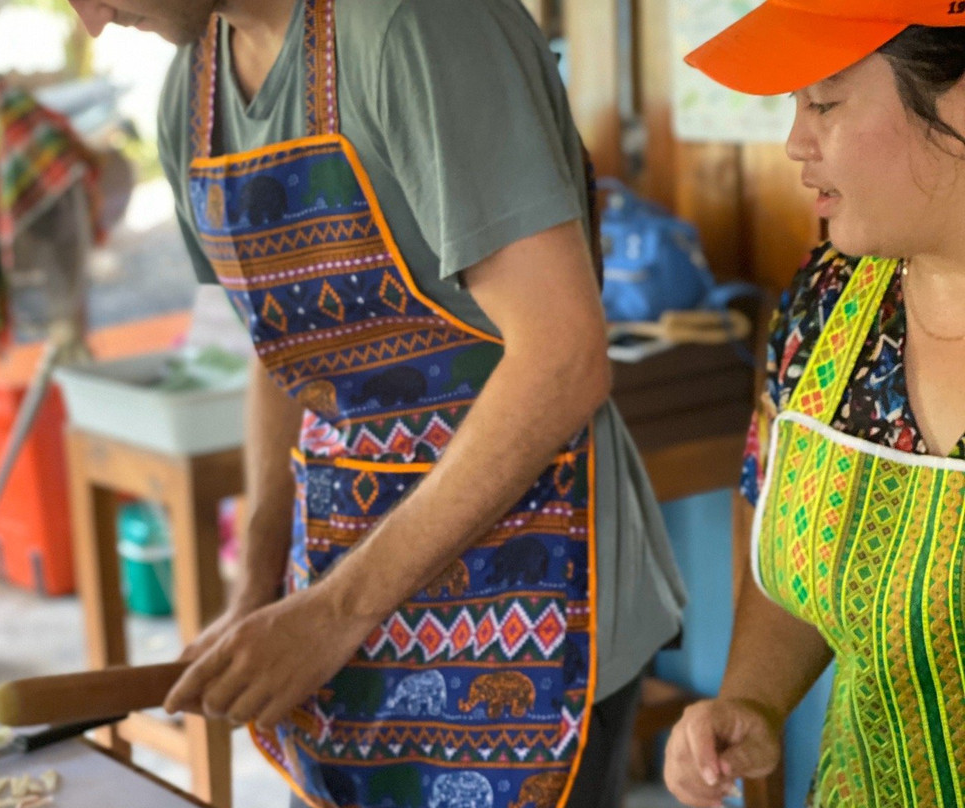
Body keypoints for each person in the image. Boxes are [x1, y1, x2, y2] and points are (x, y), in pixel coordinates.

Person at [67, 2, 686, 807]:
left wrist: (333, 614)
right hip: (340, 606)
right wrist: (260, 587)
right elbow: (281, 344)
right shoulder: (193, 94)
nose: (92, 20)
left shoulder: (418, 27)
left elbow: (562, 360)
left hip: (526, 605)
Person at [664, 3, 965, 807]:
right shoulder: (826, 306)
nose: (796, 142)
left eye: (824, 102)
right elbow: (807, 548)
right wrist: (753, 698)